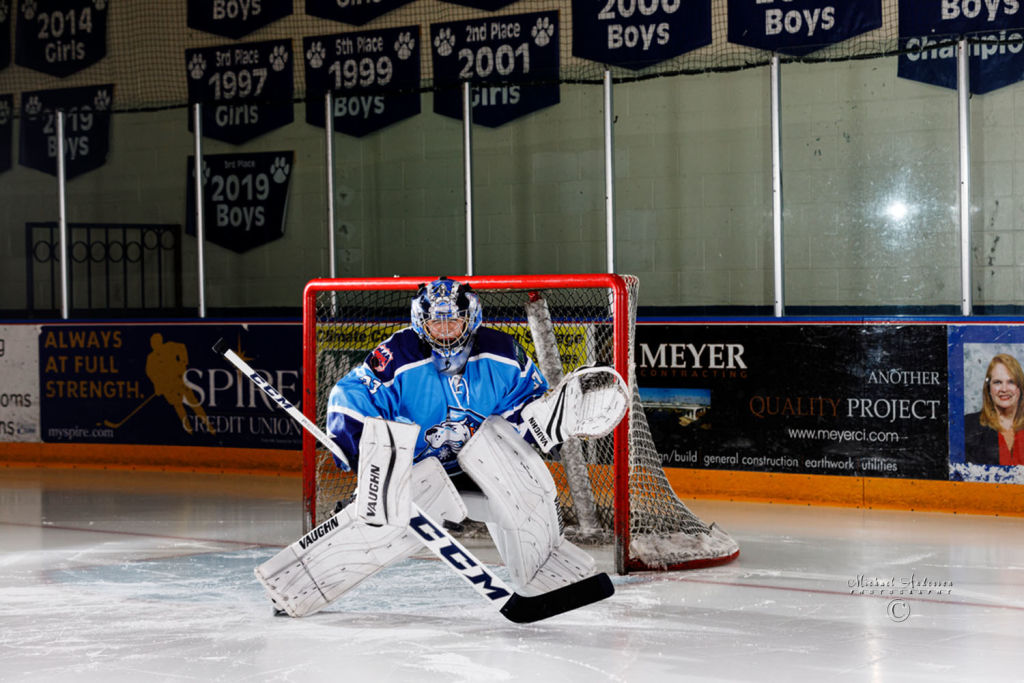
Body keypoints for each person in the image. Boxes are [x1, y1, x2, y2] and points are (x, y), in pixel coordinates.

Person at [964, 353, 1024, 466]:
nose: (1004, 389)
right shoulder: (967, 426)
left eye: (1011, 382)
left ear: (1020, 387)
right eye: (997, 382)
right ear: (989, 388)